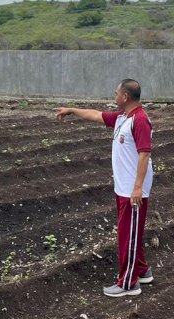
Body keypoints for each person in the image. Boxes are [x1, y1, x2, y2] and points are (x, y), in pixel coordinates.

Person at [54, 79, 154, 297]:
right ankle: (142, 271)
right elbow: (95, 115)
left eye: (116, 92)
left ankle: (128, 283)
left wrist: (137, 188)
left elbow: (145, 154)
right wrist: (71, 110)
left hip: (132, 190)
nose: (114, 95)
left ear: (125, 97)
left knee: (127, 235)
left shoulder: (140, 120)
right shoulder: (122, 118)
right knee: (131, 232)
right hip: (124, 187)